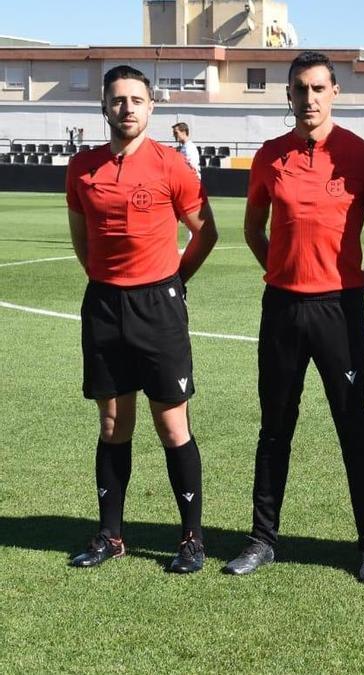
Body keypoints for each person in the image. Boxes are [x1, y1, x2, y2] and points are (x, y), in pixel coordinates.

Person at [223, 51, 364, 583]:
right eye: (300, 89)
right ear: (288, 94)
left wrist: (357, 286)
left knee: (354, 427)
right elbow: (254, 230)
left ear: (334, 93)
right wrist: (282, 270)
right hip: (281, 308)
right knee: (275, 427)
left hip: (339, 311)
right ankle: (262, 538)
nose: (309, 99)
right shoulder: (269, 156)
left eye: (319, 88)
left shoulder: (359, 155)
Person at [65, 64, 218, 573]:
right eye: (117, 100)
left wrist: (174, 281)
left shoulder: (172, 165)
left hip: (159, 306)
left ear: (150, 107)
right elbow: (81, 237)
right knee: (112, 423)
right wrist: (105, 281)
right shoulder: (81, 167)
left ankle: (192, 539)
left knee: (172, 424)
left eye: (136, 99)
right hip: (105, 306)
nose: (127, 108)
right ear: (104, 107)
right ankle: (110, 535)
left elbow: (205, 233)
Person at [172, 122, 201, 246]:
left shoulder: (189, 148)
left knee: (188, 215)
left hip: (190, 185)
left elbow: (191, 167)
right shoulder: (183, 148)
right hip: (184, 184)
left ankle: (193, 243)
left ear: (184, 132)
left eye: (176, 133)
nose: (174, 135)